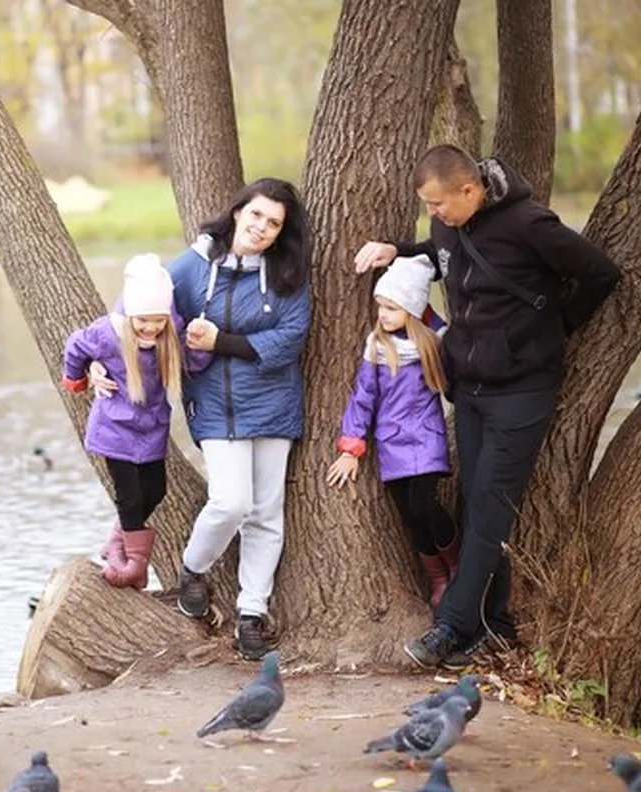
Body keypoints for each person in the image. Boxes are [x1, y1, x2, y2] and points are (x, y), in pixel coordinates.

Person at [354, 144, 621, 669]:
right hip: (470, 388)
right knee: (476, 507)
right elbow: (445, 255)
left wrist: (552, 329)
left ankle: (450, 627)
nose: (434, 214)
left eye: (438, 204)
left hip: (522, 391)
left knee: (490, 510)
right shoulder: (448, 227)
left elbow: (599, 273)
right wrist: (399, 250)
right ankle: (493, 626)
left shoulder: (530, 225)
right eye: (427, 206)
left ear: (470, 190)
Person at [94, 178, 312, 660]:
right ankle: (192, 569)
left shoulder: (286, 273)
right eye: (256, 215)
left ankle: (251, 613)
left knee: (266, 515)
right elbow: (136, 305)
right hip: (214, 404)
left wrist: (223, 342)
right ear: (238, 212)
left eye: (274, 223)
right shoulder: (194, 267)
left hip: (275, 404)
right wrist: (97, 359)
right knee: (232, 502)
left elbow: (291, 336)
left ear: (281, 232)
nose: (262, 228)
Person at [62, 254, 211, 589]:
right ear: (130, 315)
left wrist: (202, 346)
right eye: (142, 320)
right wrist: (78, 377)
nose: (150, 328)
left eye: (158, 321)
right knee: (129, 496)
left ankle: (117, 540)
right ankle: (135, 566)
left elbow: (193, 364)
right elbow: (75, 346)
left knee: (155, 491)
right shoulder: (108, 334)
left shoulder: (170, 337)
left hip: (152, 429)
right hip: (115, 429)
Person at [326, 254, 458, 608]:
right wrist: (350, 448)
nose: (383, 315)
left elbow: (435, 320)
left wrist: (414, 289)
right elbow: (362, 399)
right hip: (391, 443)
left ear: (412, 311)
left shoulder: (432, 342)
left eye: (392, 308)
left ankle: (457, 565)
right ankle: (437, 578)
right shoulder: (378, 347)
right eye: (380, 307)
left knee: (424, 503)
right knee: (410, 516)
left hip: (426, 437)